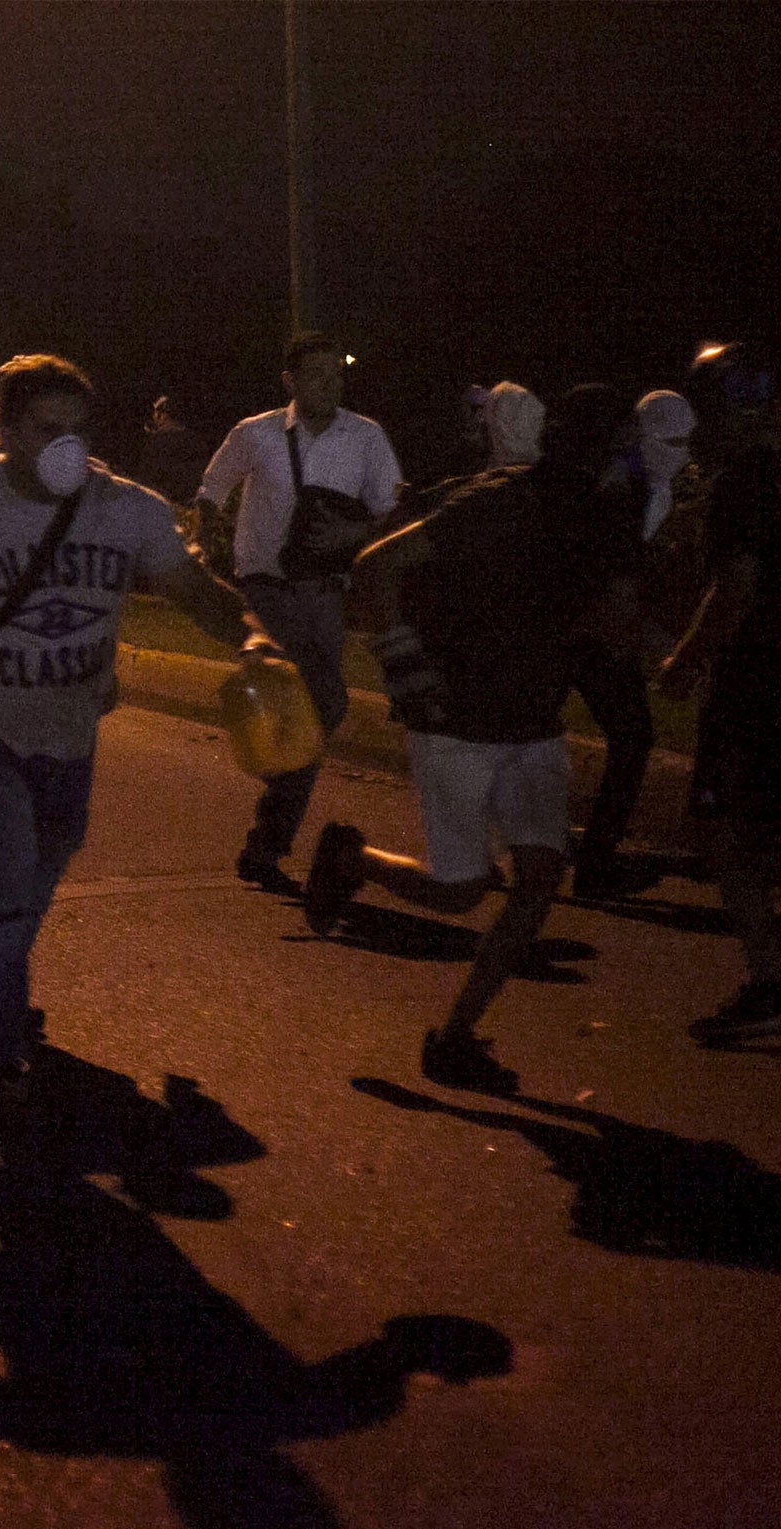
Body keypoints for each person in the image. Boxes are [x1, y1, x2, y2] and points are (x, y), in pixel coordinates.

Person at [0, 354, 269, 1112]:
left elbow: (194, 589)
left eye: (76, 430)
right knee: (4, 877)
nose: (64, 446)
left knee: (34, 883)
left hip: (67, 734)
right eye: (43, 430)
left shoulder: (126, 509)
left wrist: (256, 639)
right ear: (0, 430)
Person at [302, 385, 634, 1094]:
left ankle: (453, 1039)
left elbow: (610, 616)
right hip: (456, 716)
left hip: (531, 721)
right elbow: (376, 565)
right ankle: (352, 860)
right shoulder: (493, 504)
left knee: (540, 879)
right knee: (460, 892)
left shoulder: (598, 521)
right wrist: (403, 660)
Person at [193, 332, 403, 895]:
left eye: (336, 374)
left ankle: (269, 821)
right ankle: (269, 836)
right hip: (266, 590)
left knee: (316, 708)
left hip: (324, 591)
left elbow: (391, 514)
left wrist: (353, 535)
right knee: (320, 700)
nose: (329, 385)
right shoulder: (256, 432)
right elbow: (212, 489)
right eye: (316, 375)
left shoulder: (366, 437)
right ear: (290, 381)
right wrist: (202, 542)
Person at [660, 346, 780, 1044]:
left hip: (758, 677)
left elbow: (736, 587)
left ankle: (768, 983)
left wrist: (686, 656)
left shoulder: (744, 482)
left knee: (719, 827)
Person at [564, 390, 696, 896]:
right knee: (633, 738)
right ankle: (593, 866)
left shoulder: (641, 479)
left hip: (587, 630)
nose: (680, 450)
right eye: (670, 439)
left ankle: (570, 855)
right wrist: (634, 643)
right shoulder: (625, 483)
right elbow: (614, 570)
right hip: (591, 632)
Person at [132, 394, 211, 507]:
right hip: (189, 505)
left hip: (160, 503)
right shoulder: (195, 441)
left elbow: (147, 476)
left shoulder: (158, 442)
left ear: (163, 415)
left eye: (156, 413)